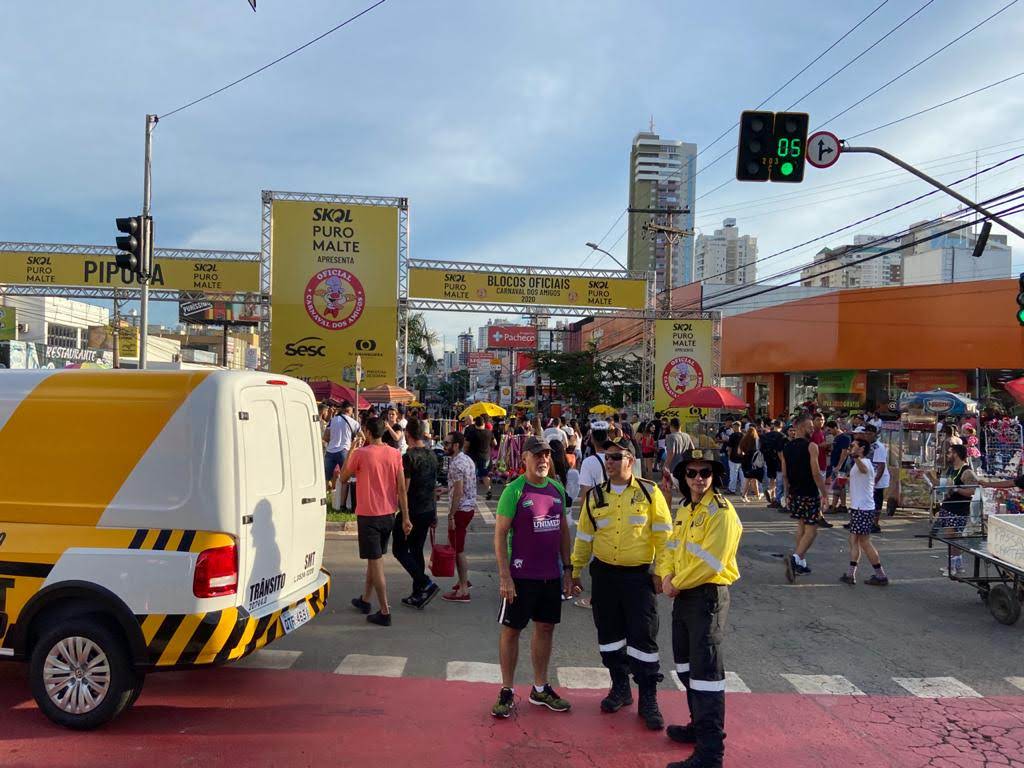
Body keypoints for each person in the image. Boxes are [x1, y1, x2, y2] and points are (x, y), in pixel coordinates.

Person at [570, 436, 672, 729]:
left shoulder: (649, 492)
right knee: (609, 635)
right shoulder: (595, 496)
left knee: (643, 636)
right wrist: (575, 570)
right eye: (607, 457)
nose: (609, 462)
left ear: (631, 460)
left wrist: (661, 571)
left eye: (616, 457)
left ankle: (648, 697)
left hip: (638, 578)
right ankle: (620, 687)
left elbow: (664, 537)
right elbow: (584, 537)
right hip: (604, 576)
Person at [662, 449, 742, 768]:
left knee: (706, 676)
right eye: (692, 473)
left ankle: (710, 752)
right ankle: (698, 726)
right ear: (684, 477)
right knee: (686, 668)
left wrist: (675, 582)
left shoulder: (721, 512)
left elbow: (712, 562)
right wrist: (665, 574)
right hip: (684, 596)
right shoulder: (686, 508)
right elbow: (672, 546)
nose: (699, 479)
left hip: (707, 596)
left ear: (714, 476)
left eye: (705, 473)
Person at [491, 436, 575, 719]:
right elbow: (500, 535)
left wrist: (567, 569)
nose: (543, 460)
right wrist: (505, 576)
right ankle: (506, 690)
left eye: (547, 455)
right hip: (520, 575)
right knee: (512, 630)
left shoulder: (556, 489)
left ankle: (540, 688)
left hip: (550, 575)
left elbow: (563, 531)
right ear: (525, 458)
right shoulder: (514, 491)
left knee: (546, 628)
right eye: (537, 455)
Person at [340, 417, 410, 627]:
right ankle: (365, 599)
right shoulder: (395, 453)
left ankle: (385, 610)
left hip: (369, 515)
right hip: (389, 514)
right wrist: (405, 516)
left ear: (368, 433)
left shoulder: (361, 454)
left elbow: (343, 477)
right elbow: (401, 488)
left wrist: (351, 449)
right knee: (375, 558)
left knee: (376, 562)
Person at [393, 418, 441, 609]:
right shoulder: (432, 455)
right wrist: (434, 513)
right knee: (416, 549)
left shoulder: (408, 457)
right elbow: (433, 487)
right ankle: (418, 593)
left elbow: (404, 489)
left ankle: (424, 583)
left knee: (399, 549)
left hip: (413, 510)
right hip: (427, 509)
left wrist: (404, 516)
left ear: (407, 434)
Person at [780, 413, 829, 582]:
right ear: (800, 427)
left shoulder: (786, 447)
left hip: (794, 493)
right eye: (810, 427)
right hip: (809, 492)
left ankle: (800, 562)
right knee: (812, 530)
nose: (812, 429)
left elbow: (784, 474)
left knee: (801, 525)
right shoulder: (812, 446)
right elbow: (816, 473)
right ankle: (795, 559)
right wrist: (824, 494)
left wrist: (787, 494)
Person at [839, 438, 889, 587]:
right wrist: (847, 479)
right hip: (860, 507)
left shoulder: (864, 462)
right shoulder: (860, 463)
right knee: (853, 540)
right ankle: (851, 574)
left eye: (853, 445)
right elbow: (861, 476)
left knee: (864, 542)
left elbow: (864, 470)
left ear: (861, 449)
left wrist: (855, 457)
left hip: (863, 508)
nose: (850, 446)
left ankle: (880, 575)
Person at [929, 443, 978, 576]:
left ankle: (952, 567)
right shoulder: (951, 469)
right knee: (952, 538)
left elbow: (972, 491)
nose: (947, 455)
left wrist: (956, 489)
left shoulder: (966, 471)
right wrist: (929, 477)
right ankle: (958, 565)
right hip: (948, 506)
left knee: (952, 538)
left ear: (956, 454)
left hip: (958, 509)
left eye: (950, 452)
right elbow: (944, 485)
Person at [443, 432, 477, 602]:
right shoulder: (466, 459)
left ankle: (463, 590)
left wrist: (451, 515)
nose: (444, 446)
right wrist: (446, 489)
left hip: (460, 510)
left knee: (457, 550)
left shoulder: (456, 463)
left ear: (456, 445)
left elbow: (458, 491)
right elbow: (463, 485)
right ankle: (463, 581)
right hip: (468, 507)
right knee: (457, 547)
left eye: (447, 443)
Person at [324, 401, 359, 506]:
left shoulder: (332, 420)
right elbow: (362, 436)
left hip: (330, 451)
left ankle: (323, 502)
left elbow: (325, 436)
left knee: (326, 478)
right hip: (345, 451)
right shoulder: (354, 422)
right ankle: (344, 504)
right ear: (350, 410)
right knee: (345, 478)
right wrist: (355, 445)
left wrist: (334, 439)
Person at [864, 425, 890, 532]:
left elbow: (881, 465)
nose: (867, 436)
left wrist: (875, 481)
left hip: (877, 478)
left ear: (875, 434)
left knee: (877, 500)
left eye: (870, 434)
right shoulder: (867, 445)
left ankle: (875, 523)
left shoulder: (878, 447)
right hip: (868, 477)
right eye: (866, 434)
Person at [663, 418, 695, 506]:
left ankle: (668, 509)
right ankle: (688, 507)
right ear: (681, 426)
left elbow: (671, 452)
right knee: (683, 489)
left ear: (671, 426)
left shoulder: (670, 437)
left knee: (667, 488)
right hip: (684, 466)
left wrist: (666, 465)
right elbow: (692, 449)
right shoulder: (687, 436)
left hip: (673, 467)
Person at [465, 416, 497, 501]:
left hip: (473, 457)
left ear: (475, 424)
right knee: (484, 475)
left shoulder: (471, 433)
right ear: (484, 424)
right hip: (485, 457)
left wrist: (465, 453)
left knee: (471, 475)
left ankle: (471, 492)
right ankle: (488, 490)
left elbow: (466, 445)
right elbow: (495, 443)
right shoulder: (489, 432)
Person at [827, 421, 852, 516]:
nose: (829, 432)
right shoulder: (836, 438)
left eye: (830, 430)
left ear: (835, 428)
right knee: (841, 486)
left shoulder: (844, 438)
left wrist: (839, 465)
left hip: (841, 466)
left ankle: (833, 506)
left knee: (837, 486)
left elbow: (844, 452)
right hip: (836, 464)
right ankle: (843, 505)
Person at [760, 420, 786, 509]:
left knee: (772, 477)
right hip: (778, 460)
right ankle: (775, 496)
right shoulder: (782, 436)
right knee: (779, 480)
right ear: (781, 427)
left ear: (773, 426)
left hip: (768, 459)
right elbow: (781, 450)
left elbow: (762, 448)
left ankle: (771, 494)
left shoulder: (766, 435)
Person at [738, 426, 762, 503]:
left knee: (752, 479)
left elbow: (739, 452)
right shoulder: (756, 440)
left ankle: (758, 495)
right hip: (753, 461)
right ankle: (743, 495)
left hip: (745, 460)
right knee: (750, 479)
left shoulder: (743, 440)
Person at [725, 422, 743, 494]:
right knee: (743, 475)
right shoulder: (744, 435)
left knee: (733, 474)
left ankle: (732, 489)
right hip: (743, 458)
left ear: (735, 427)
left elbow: (730, 447)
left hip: (734, 457)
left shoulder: (732, 435)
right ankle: (743, 490)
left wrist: (729, 456)